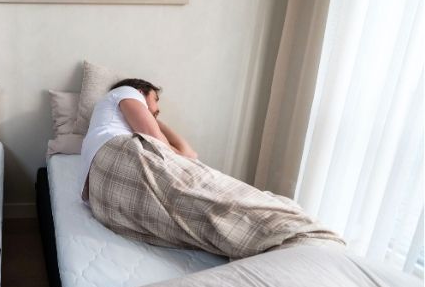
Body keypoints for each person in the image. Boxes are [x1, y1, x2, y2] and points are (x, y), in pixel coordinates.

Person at [81, 79, 344, 259]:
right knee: (208, 196)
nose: (158, 110)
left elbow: (188, 155)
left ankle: (280, 236)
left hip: (101, 195)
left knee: (194, 206)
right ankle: (292, 234)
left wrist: (157, 119)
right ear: (143, 89)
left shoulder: (107, 121)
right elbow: (156, 139)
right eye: (156, 101)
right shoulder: (126, 92)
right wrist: (151, 117)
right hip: (119, 158)